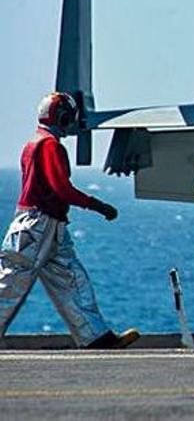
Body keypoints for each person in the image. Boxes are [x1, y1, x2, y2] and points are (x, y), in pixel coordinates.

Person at [0, 92, 139, 348]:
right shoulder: (50, 146)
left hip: (48, 225)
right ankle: (94, 336)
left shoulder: (34, 143)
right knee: (9, 284)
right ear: (61, 117)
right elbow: (61, 189)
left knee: (72, 279)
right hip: (38, 225)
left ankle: (95, 337)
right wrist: (98, 205)